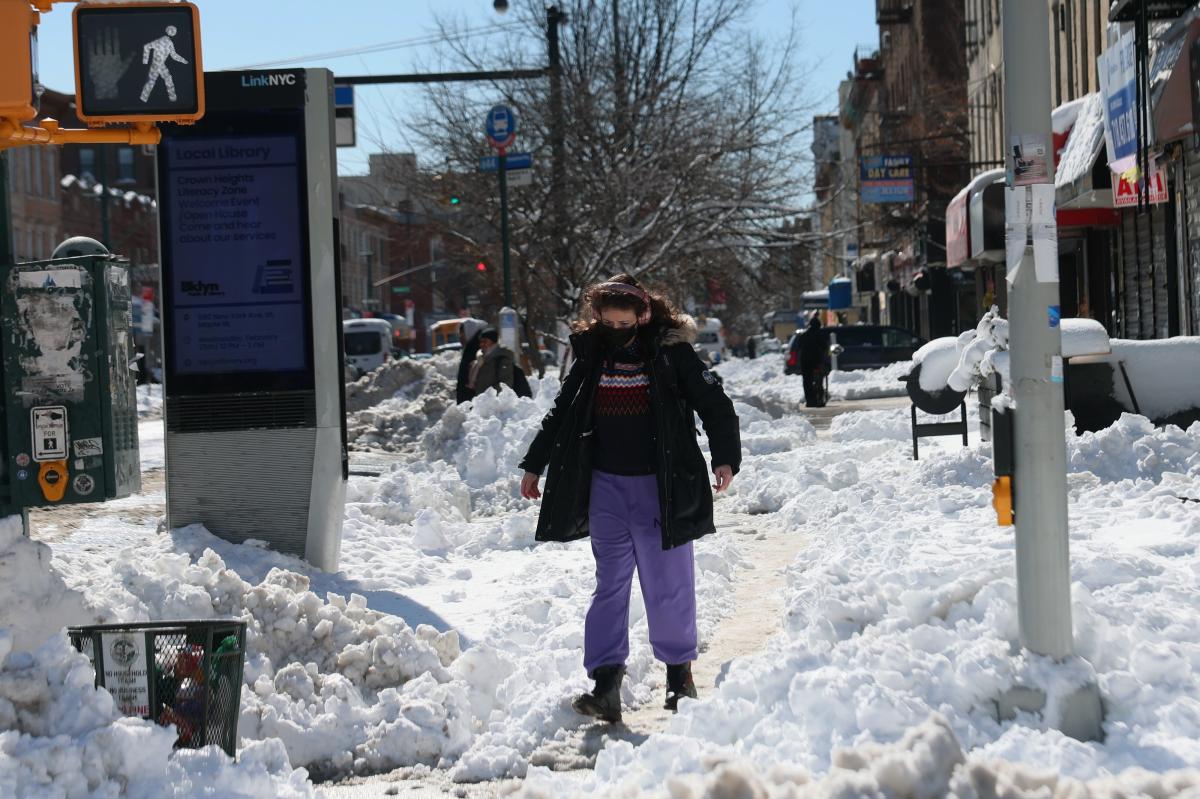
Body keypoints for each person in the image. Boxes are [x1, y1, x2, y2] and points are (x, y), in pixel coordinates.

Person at [518, 274, 741, 723]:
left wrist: (725, 458)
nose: (618, 331)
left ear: (643, 315)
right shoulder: (592, 356)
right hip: (607, 488)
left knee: (669, 584)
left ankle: (679, 678)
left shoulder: (670, 353)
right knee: (610, 586)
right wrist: (534, 463)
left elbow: (715, 404)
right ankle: (606, 684)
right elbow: (562, 412)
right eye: (609, 323)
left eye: (626, 323)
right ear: (597, 317)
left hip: (661, 489)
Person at [471, 328, 518, 397]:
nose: (481, 344)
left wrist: (489, 397)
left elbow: (505, 383)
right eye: (481, 341)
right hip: (483, 399)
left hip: (494, 400)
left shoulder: (502, 358)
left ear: (493, 341)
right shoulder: (482, 358)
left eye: (485, 341)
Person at [456, 319, 491, 404]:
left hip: (471, 397)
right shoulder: (470, 347)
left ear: (469, 332)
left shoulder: (474, 349)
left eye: (462, 334)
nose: (461, 338)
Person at [798, 314, 827, 408]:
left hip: (805, 361)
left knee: (807, 381)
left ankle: (810, 400)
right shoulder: (819, 334)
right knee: (819, 379)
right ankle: (819, 397)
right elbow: (824, 346)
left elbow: (799, 347)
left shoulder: (803, 335)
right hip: (816, 361)